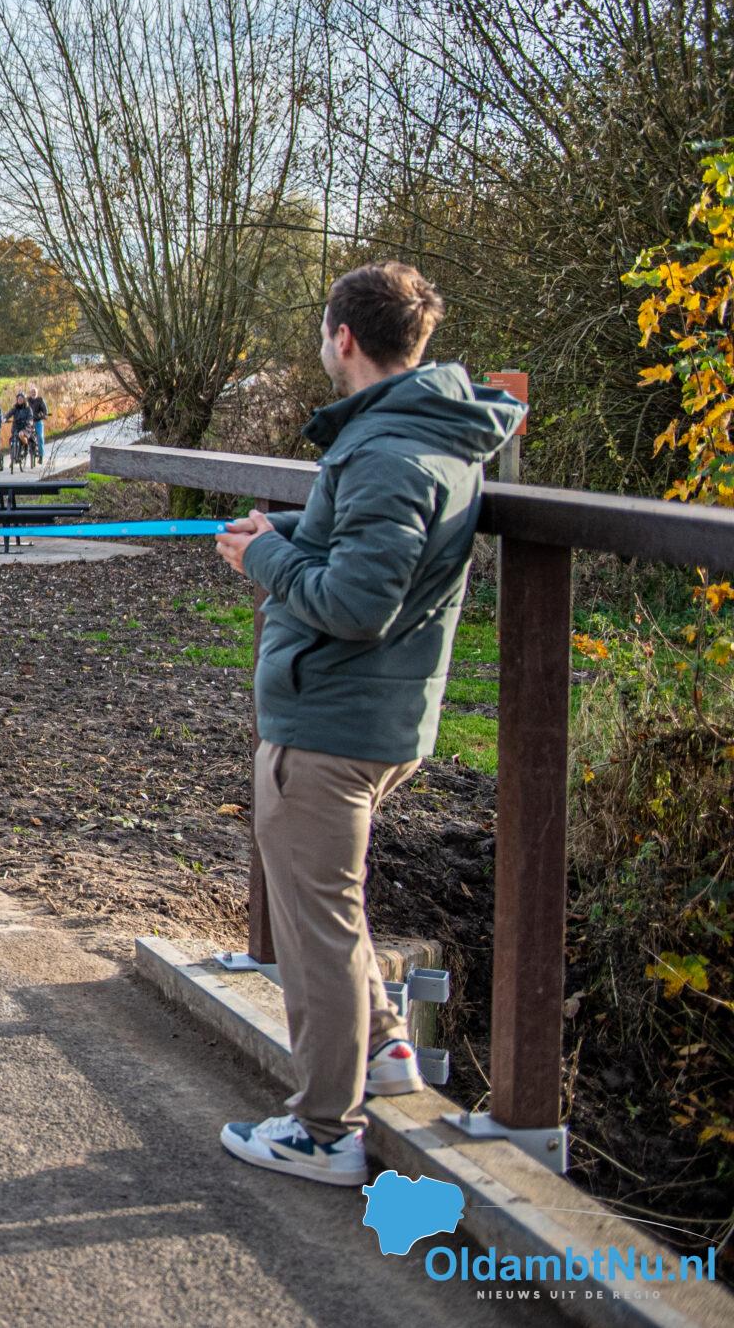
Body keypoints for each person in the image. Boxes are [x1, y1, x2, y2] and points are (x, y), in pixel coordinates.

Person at [214, 263, 523, 1187]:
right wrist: (292, 533)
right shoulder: (415, 434)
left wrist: (269, 558)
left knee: (316, 929)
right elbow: (365, 549)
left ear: (343, 337)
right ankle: (388, 1050)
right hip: (370, 713)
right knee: (330, 906)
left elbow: (359, 598)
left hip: (334, 723)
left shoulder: (388, 450)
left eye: (321, 328)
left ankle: (324, 1127)